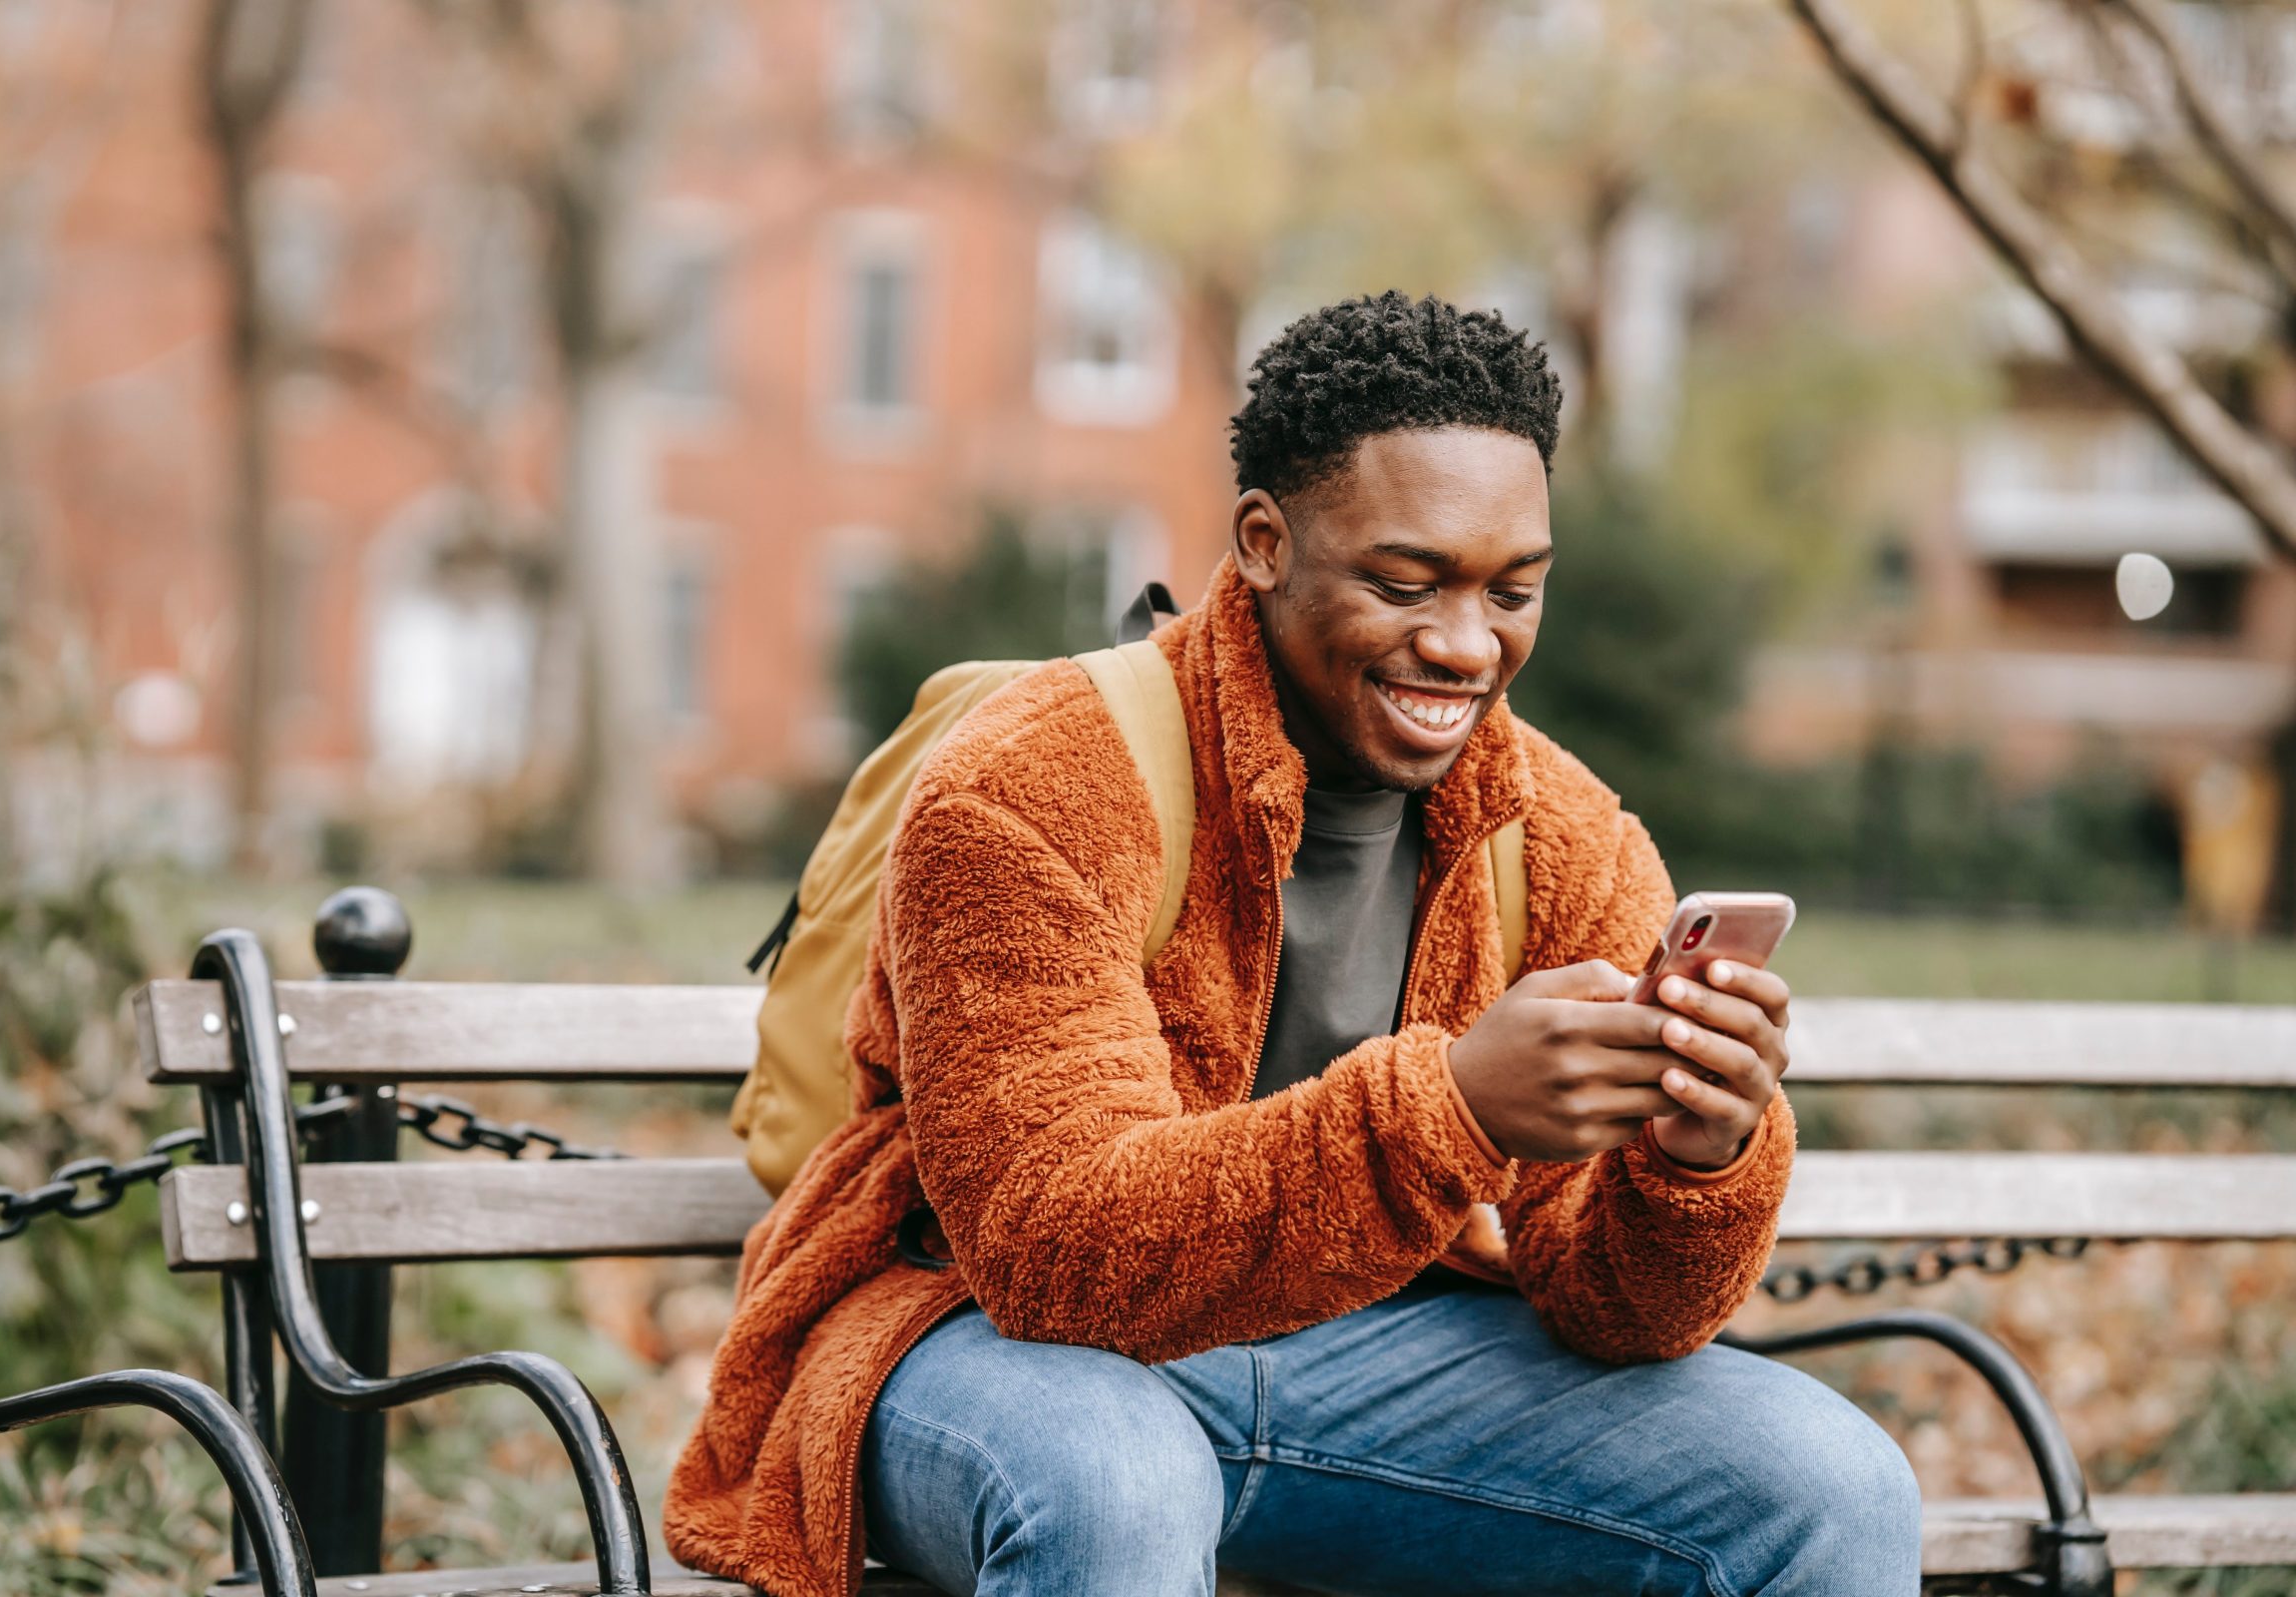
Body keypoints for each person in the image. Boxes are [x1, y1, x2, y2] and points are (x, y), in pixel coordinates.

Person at [667, 291, 1922, 1597]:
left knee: (1831, 1488)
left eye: (1514, 590)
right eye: (1404, 581)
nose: (1463, 643)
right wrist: (1448, 1107)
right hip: (980, 1347)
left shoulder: (1564, 839)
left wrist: (1695, 1153)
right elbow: (1050, 1255)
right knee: (1116, 1483)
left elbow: (1619, 1311)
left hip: (1367, 1367)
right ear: (1265, 544)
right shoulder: (1030, 784)